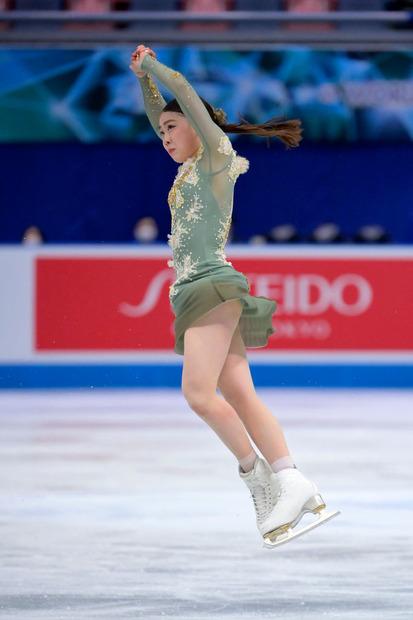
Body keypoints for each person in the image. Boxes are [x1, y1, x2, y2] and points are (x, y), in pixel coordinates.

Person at [130, 45, 339, 547]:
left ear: (197, 128)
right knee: (240, 393)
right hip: (196, 291)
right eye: (160, 133)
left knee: (198, 395)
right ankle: (293, 480)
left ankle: (260, 479)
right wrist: (143, 81)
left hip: (210, 285)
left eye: (172, 129)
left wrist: (155, 68)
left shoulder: (216, 159)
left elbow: (182, 96)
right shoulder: (185, 171)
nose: (165, 137)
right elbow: (161, 106)